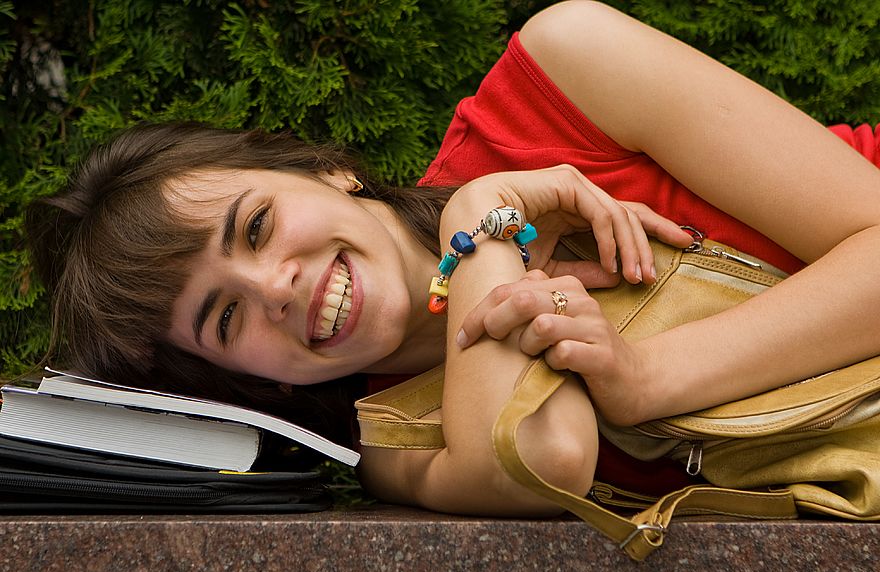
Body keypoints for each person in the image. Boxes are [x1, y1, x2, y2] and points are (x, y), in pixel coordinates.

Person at [26, 1, 880, 517]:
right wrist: (483, 230)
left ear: (329, 170)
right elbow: (542, 464)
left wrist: (647, 372)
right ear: (255, 381)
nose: (273, 287)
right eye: (224, 317)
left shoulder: (565, 71)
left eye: (253, 228)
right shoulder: (393, 439)